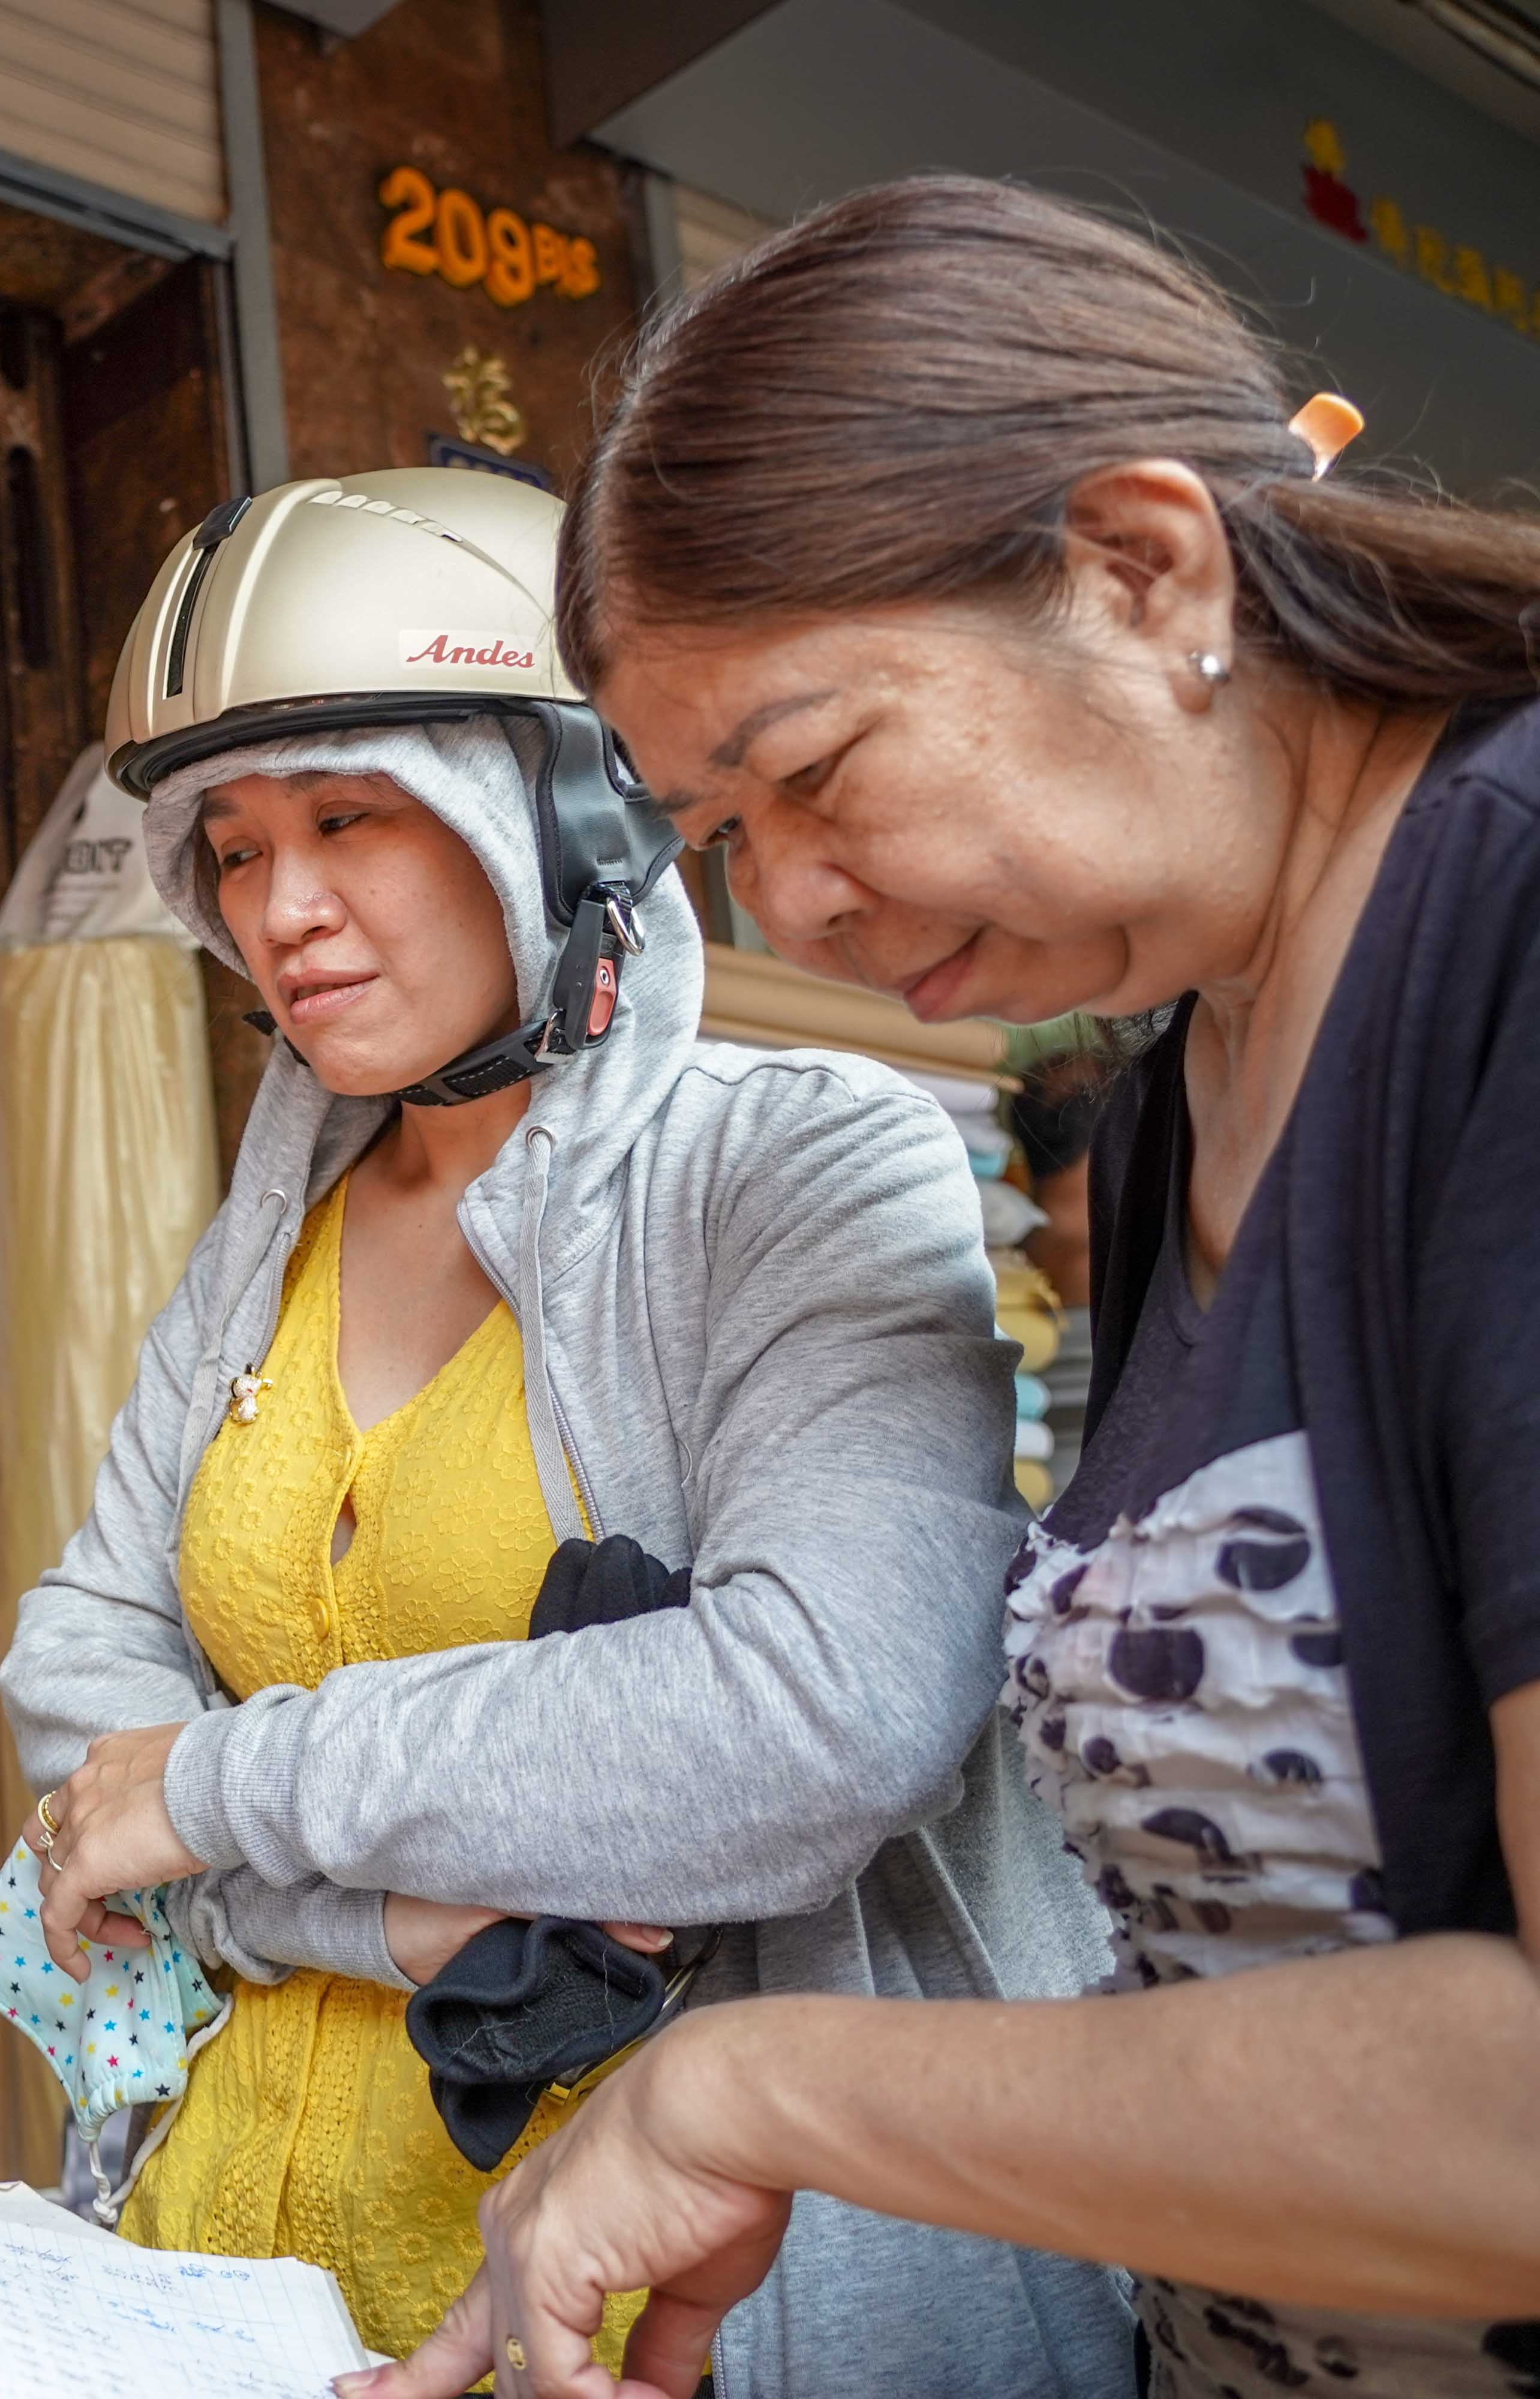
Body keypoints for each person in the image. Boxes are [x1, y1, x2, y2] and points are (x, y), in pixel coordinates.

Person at [338, 175, 1540, 2399]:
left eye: (814, 770)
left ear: (1144, 565)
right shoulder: (1182, 1062)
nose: (790, 905)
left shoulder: (1506, 945)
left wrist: (744, 2089)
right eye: (717, 840)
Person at [0, 467, 1130, 2397]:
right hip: (224, 2290)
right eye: (240, 848)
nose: (286, 908)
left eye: (352, 814)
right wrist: (383, 1902)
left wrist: (215, 1796)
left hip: (665, 2326)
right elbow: (76, 1689)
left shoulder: (802, 1167)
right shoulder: (261, 1250)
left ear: (563, 814)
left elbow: (824, 1713)